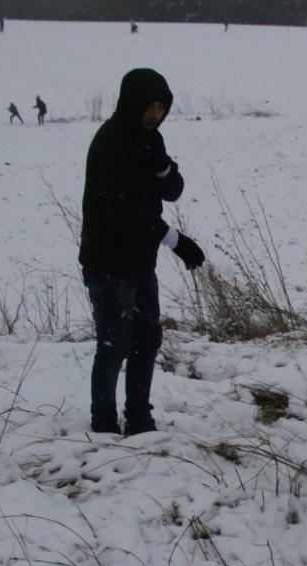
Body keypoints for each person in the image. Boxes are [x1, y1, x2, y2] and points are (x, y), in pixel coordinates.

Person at [80, 68, 205, 435]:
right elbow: (127, 213)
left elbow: (173, 191)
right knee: (114, 346)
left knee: (146, 340)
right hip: (108, 265)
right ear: (132, 105)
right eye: (149, 107)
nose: (155, 115)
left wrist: (162, 166)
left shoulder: (150, 139)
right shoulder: (111, 143)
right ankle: (103, 422)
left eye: (161, 107)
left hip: (138, 263)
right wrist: (175, 241)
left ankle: (139, 417)